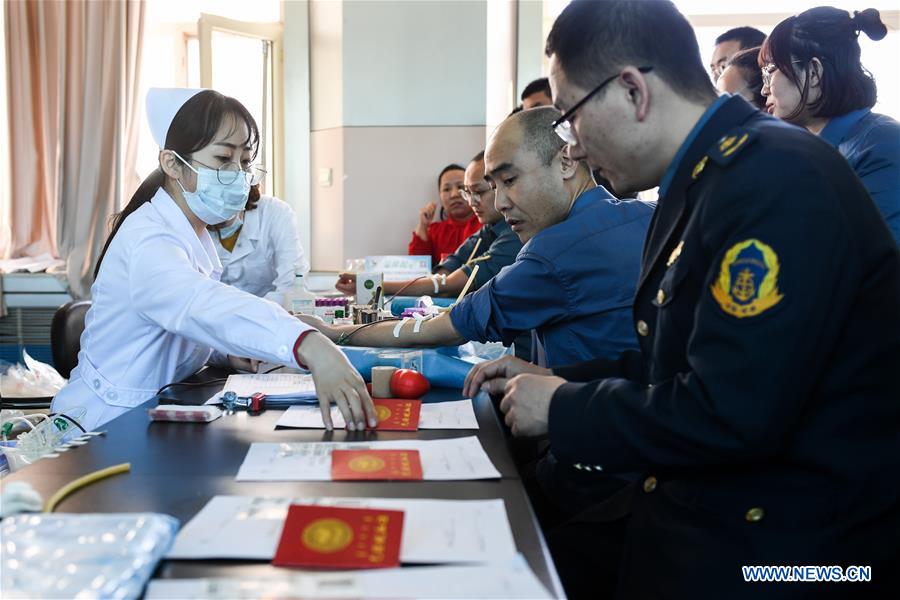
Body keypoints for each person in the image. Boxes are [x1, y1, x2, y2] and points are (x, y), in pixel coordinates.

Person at [467, 1, 900, 598]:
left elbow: (731, 413)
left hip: (791, 548)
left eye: (569, 121)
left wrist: (564, 410)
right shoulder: (700, 179)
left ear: (631, 91)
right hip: (714, 499)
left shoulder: (772, 180)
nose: (573, 149)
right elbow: (672, 362)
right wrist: (553, 378)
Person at [51, 89, 376, 432]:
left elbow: (176, 332)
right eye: (223, 159)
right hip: (104, 425)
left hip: (149, 414)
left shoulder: (191, 233)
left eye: (245, 162)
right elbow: (198, 304)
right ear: (173, 164)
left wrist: (223, 352)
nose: (238, 174)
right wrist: (308, 343)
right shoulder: (148, 239)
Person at [305, 107, 653, 369]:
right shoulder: (648, 218)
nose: (500, 203)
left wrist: (330, 333)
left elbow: (442, 328)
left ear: (565, 162)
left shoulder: (552, 252)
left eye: (510, 179)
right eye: (493, 186)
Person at [760, 6, 900, 243]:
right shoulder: (830, 148)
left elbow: (881, 264)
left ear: (813, 73)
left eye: (769, 71)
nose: (764, 89)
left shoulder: (880, 146)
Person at [336, 151, 521, 298]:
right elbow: (441, 273)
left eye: (479, 191)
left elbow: (448, 286)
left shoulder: (514, 232)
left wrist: (371, 283)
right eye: (468, 193)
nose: (471, 201)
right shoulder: (489, 228)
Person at [209, 184, 310, 305]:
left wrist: (252, 313)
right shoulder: (194, 221)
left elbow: (291, 285)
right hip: (214, 316)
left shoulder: (275, 212)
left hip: (270, 315)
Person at [408, 164, 480, 266]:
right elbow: (415, 266)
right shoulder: (434, 231)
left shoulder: (486, 224)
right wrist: (423, 225)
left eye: (461, 187)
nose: (454, 194)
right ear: (440, 196)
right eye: (446, 189)